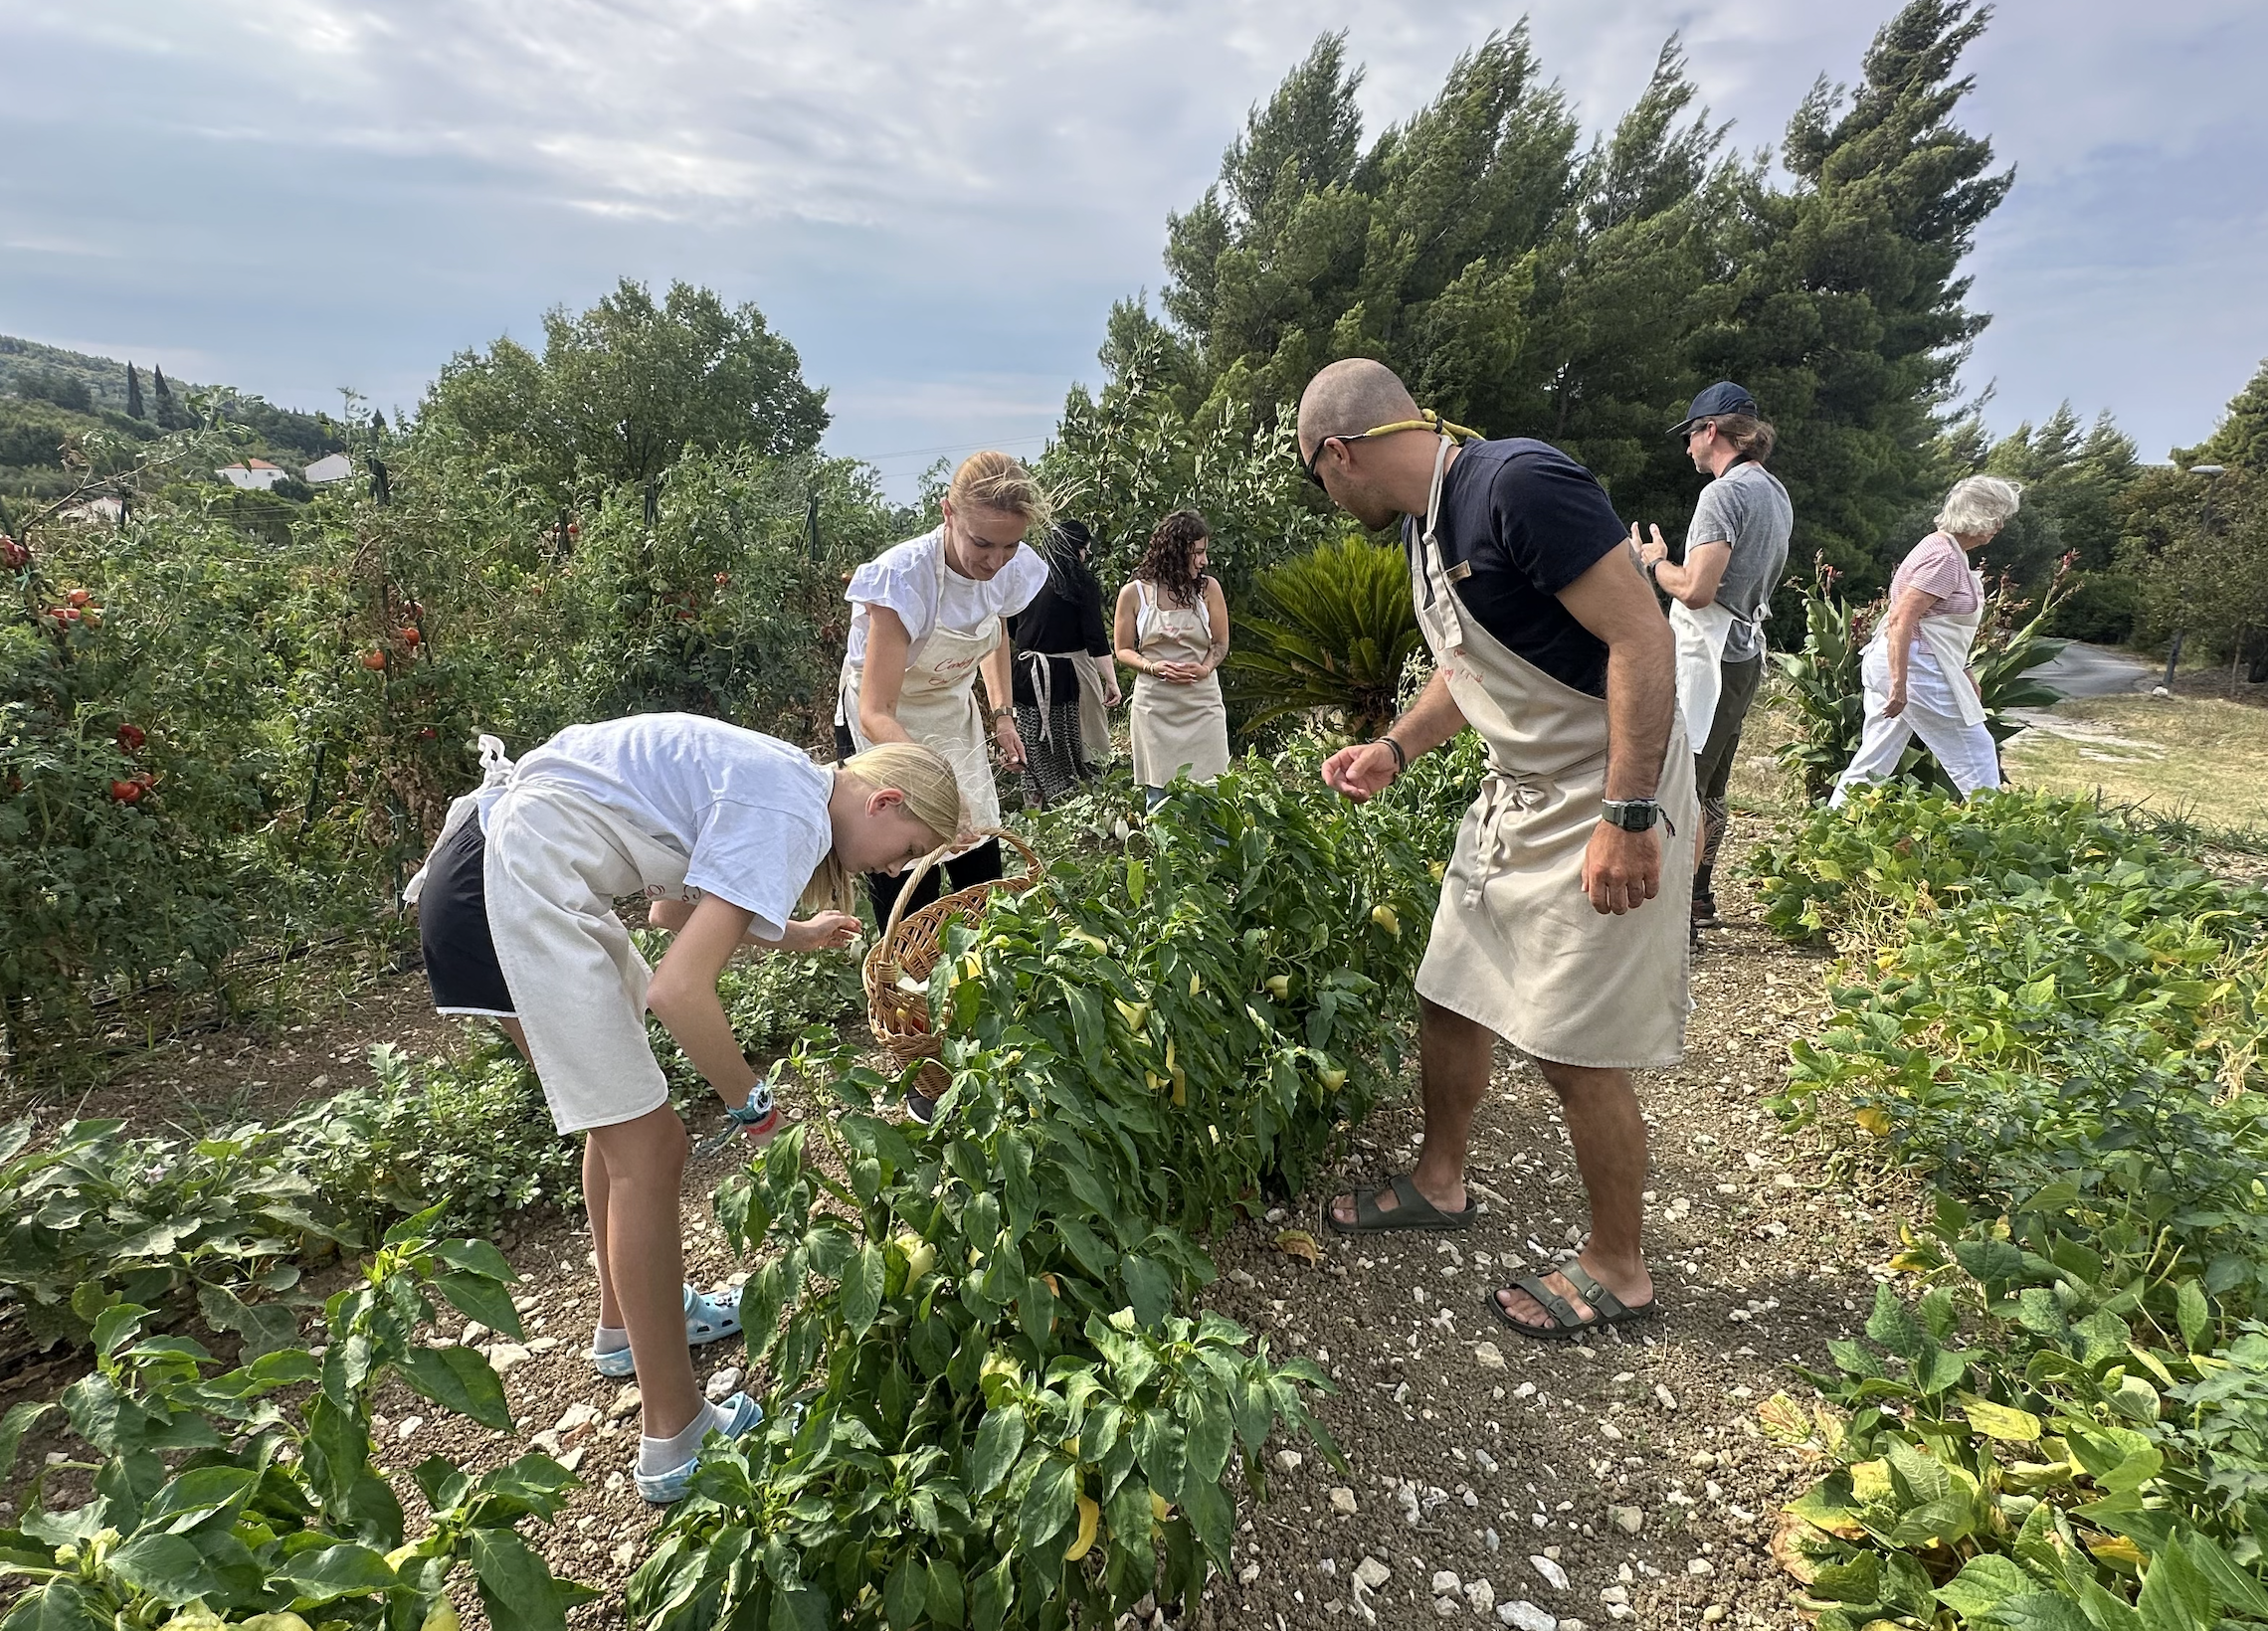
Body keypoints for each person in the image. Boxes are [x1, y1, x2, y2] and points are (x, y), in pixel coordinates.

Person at [407, 721, 963, 1503]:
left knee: (621, 1116)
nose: (895, 868)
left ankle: (625, 1329)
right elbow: (679, 990)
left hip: (502, 868)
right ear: (886, 800)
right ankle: (675, 1436)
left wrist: (793, 932)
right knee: (652, 1146)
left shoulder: (784, 780)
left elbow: (672, 914)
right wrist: (753, 1104)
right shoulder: (795, 811)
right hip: (512, 888)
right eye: (906, 850)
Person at [1298, 358, 1696, 1345]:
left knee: (1575, 1047)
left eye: (1319, 480)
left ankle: (1620, 1265)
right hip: (1517, 791)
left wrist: (1630, 811)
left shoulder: (1515, 482)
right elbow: (1466, 665)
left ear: (1339, 453)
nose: (1329, 497)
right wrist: (1396, 745)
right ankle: (1440, 1179)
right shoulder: (1428, 526)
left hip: (1603, 788)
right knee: (1451, 987)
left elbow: (1643, 639)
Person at [835, 450, 1049, 934]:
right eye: (982, 543)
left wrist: (1002, 714)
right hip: (889, 729)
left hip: (952, 712)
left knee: (979, 862)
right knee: (910, 868)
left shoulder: (1007, 569)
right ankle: (909, 982)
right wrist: (937, 791)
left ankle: (980, 969)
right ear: (947, 512)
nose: (995, 561)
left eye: (1009, 546)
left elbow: (992, 633)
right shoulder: (903, 579)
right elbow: (875, 711)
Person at [1633, 382, 1793, 940]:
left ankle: (1676, 918)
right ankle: (1699, 899)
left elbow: (1698, 591)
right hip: (1746, 652)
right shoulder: (1774, 492)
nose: (1686, 450)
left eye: (1689, 436)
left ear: (1710, 431)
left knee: (1682, 785)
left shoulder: (1722, 495)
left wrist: (1653, 563)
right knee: (1714, 786)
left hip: (1710, 654)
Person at [1830, 475, 2023, 806]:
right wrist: (1899, 682)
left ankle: (1829, 830)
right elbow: (1901, 618)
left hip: (1906, 660)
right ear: (1976, 514)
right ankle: (1996, 830)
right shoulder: (1944, 559)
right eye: (1996, 516)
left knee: (1875, 758)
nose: (2000, 526)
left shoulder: (1944, 548)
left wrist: (1966, 672)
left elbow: (1939, 626)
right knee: (1974, 748)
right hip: (1915, 665)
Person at [1114, 509, 1230, 808]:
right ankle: (1168, 854)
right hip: (1155, 707)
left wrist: (1205, 668)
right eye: (1198, 553)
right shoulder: (1134, 594)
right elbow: (1123, 649)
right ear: (1175, 553)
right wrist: (1152, 667)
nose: (1204, 561)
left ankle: (1214, 854)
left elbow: (1220, 643)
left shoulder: (1208, 589)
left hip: (1201, 704)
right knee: (1160, 797)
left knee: (1212, 793)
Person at [1008, 518, 1119, 806]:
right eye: (1085, 550)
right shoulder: (1081, 582)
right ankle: (1092, 804)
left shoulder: (1025, 580)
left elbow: (1010, 628)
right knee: (1089, 743)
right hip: (1072, 672)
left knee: (1036, 744)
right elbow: (1095, 638)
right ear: (1078, 549)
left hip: (1026, 671)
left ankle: (1037, 806)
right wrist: (1110, 680)